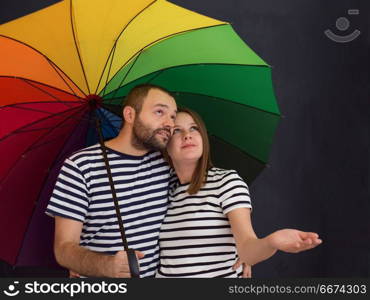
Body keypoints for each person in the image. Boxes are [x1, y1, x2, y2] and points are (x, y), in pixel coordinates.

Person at [155, 108, 322, 278]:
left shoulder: (226, 182)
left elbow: (247, 249)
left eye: (194, 128)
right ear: (165, 146)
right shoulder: (166, 191)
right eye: (177, 130)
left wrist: (272, 242)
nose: (187, 135)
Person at [46, 84, 177, 278]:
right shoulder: (81, 165)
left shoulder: (167, 164)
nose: (169, 123)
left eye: (173, 116)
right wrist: (107, 266)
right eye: (160, 112)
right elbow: (64, 249)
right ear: (130, 115)